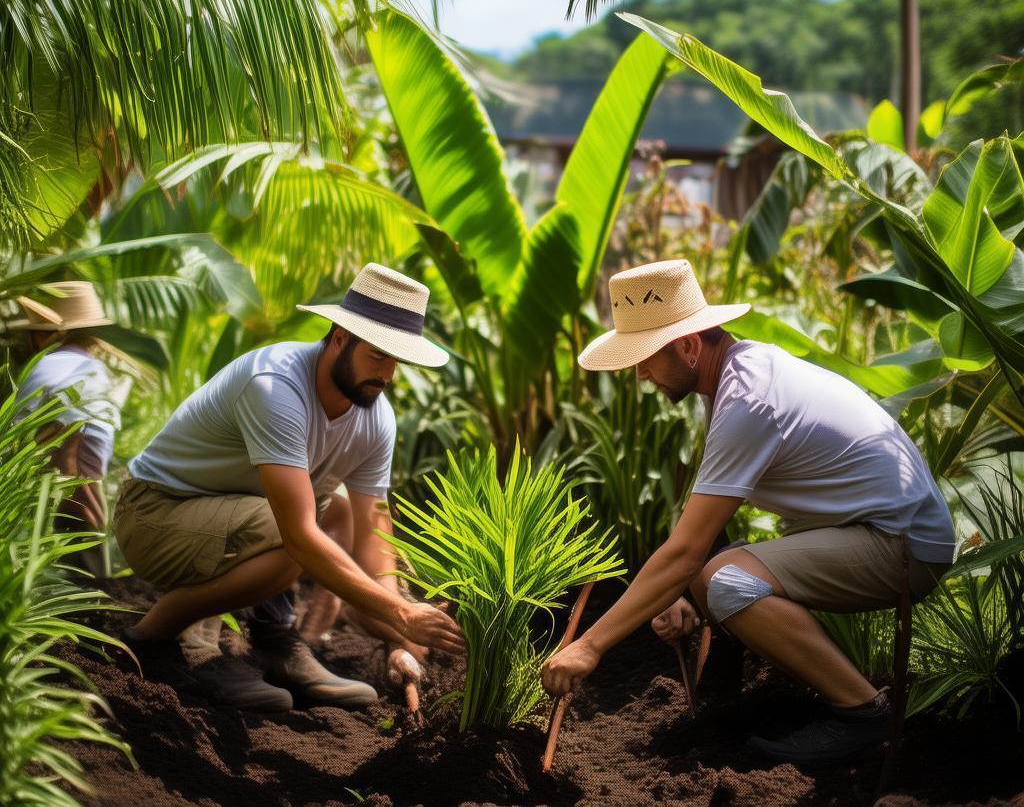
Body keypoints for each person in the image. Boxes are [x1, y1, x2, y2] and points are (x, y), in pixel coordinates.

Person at [542, 259, 955, 765]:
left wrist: (589, 646)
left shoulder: (749, 401)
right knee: (709, 578)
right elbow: (705, 526)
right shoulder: (742, 373)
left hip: (901, 546)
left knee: (723, 580)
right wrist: (681, 590)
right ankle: (736, 705)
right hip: (872, 535)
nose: (640, 372)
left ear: (689, 345)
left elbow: (687, 550)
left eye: (647, 357)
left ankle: (861, 712)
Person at [113, 263, 465, 713]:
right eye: (379, 355)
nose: (388, 374)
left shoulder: (376, 416)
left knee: (332, 516)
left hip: (228, 522)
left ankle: (276, 640)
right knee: (298, 535)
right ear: (340, 337)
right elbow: (299, 535)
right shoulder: (276, 386)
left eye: (398, 360)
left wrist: (396, 613)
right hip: (155, 516)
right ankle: (156, 638)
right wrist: (401, 615)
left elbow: (373, 531)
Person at [12, 282, 124, 575]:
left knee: (74, 511)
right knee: (83, 511)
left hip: (70, 439)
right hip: (93, 440)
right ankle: (94, 584)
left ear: (47, 333)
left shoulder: (49, 363)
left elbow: (23, 417)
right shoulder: (92, 364)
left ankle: (89, 588)